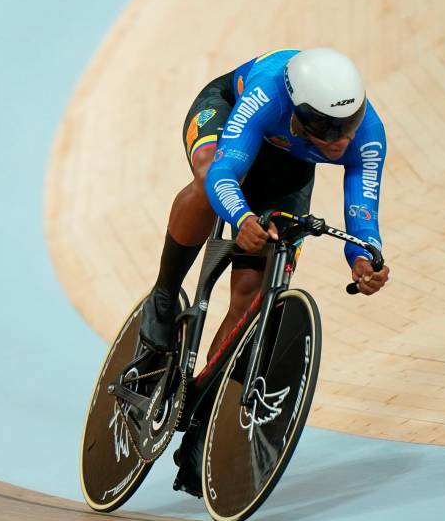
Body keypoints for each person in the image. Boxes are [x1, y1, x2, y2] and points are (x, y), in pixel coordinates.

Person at [137, 47, 391, 497]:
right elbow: (224, 175)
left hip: (290, 164)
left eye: (347, 126)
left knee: (253, 298)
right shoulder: (266, 94)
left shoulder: (367, 134)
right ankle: (163, 294)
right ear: (296, 111)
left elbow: (362, 212)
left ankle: (200, 419)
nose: (341, 141)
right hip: (228, 119)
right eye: (328, 130)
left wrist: (364, 259)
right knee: (205, 176)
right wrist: (241, 219)